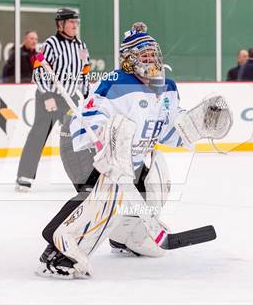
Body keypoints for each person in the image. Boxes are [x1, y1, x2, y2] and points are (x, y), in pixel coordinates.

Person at [36, 22, 232, 279]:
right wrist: (105, 140)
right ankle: (58, 252)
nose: (152, 60)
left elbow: (169, 132)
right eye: (145, 55)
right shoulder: (115, 83)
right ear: (129, 60)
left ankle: (129, 236)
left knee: (157, 177)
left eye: (154, 54)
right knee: (106, 193)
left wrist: (198, 124)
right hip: (83, 147)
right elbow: (89, 116)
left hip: (130, 155)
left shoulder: (168, 88)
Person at [16, 9, 91, 191]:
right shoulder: (50, 44)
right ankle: (24, 176)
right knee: (39, 134)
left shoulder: (81, 46)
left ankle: (85, 178)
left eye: (76, 22)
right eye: (71, 22)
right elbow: (39, 69)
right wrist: (47, 95)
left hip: (70, 98)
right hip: (49, 95)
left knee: (78, 136)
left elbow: (85, 70)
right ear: (60, 25)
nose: (75, 25)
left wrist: (87, 93)